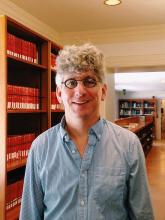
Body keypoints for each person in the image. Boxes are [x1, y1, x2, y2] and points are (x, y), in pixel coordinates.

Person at [19, 43, 154, 220]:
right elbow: (30, 215)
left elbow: (142, 214)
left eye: (89, 81)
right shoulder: (40, 147)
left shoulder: (129, 144)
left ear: (103, 91)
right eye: (71, 82)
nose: (80, 91)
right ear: (59, 94)